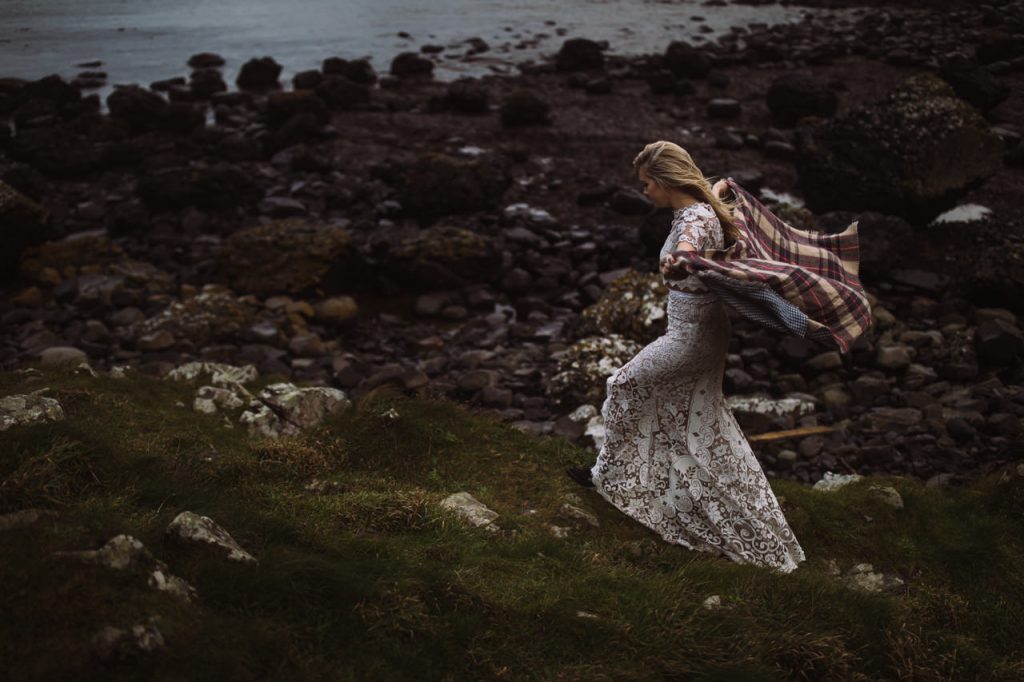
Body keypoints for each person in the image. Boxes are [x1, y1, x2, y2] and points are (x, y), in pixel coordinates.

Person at [566, 140, 807, 574]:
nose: (643, 192)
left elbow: (690, 248)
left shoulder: (694, 216)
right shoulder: (701, 207)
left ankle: (611, 477)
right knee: (696, 416)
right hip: (703, 331)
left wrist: (680, 260)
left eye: (645, 185)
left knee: (622, 384)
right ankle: (728, 506)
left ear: (662, 182)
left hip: (691, 336)